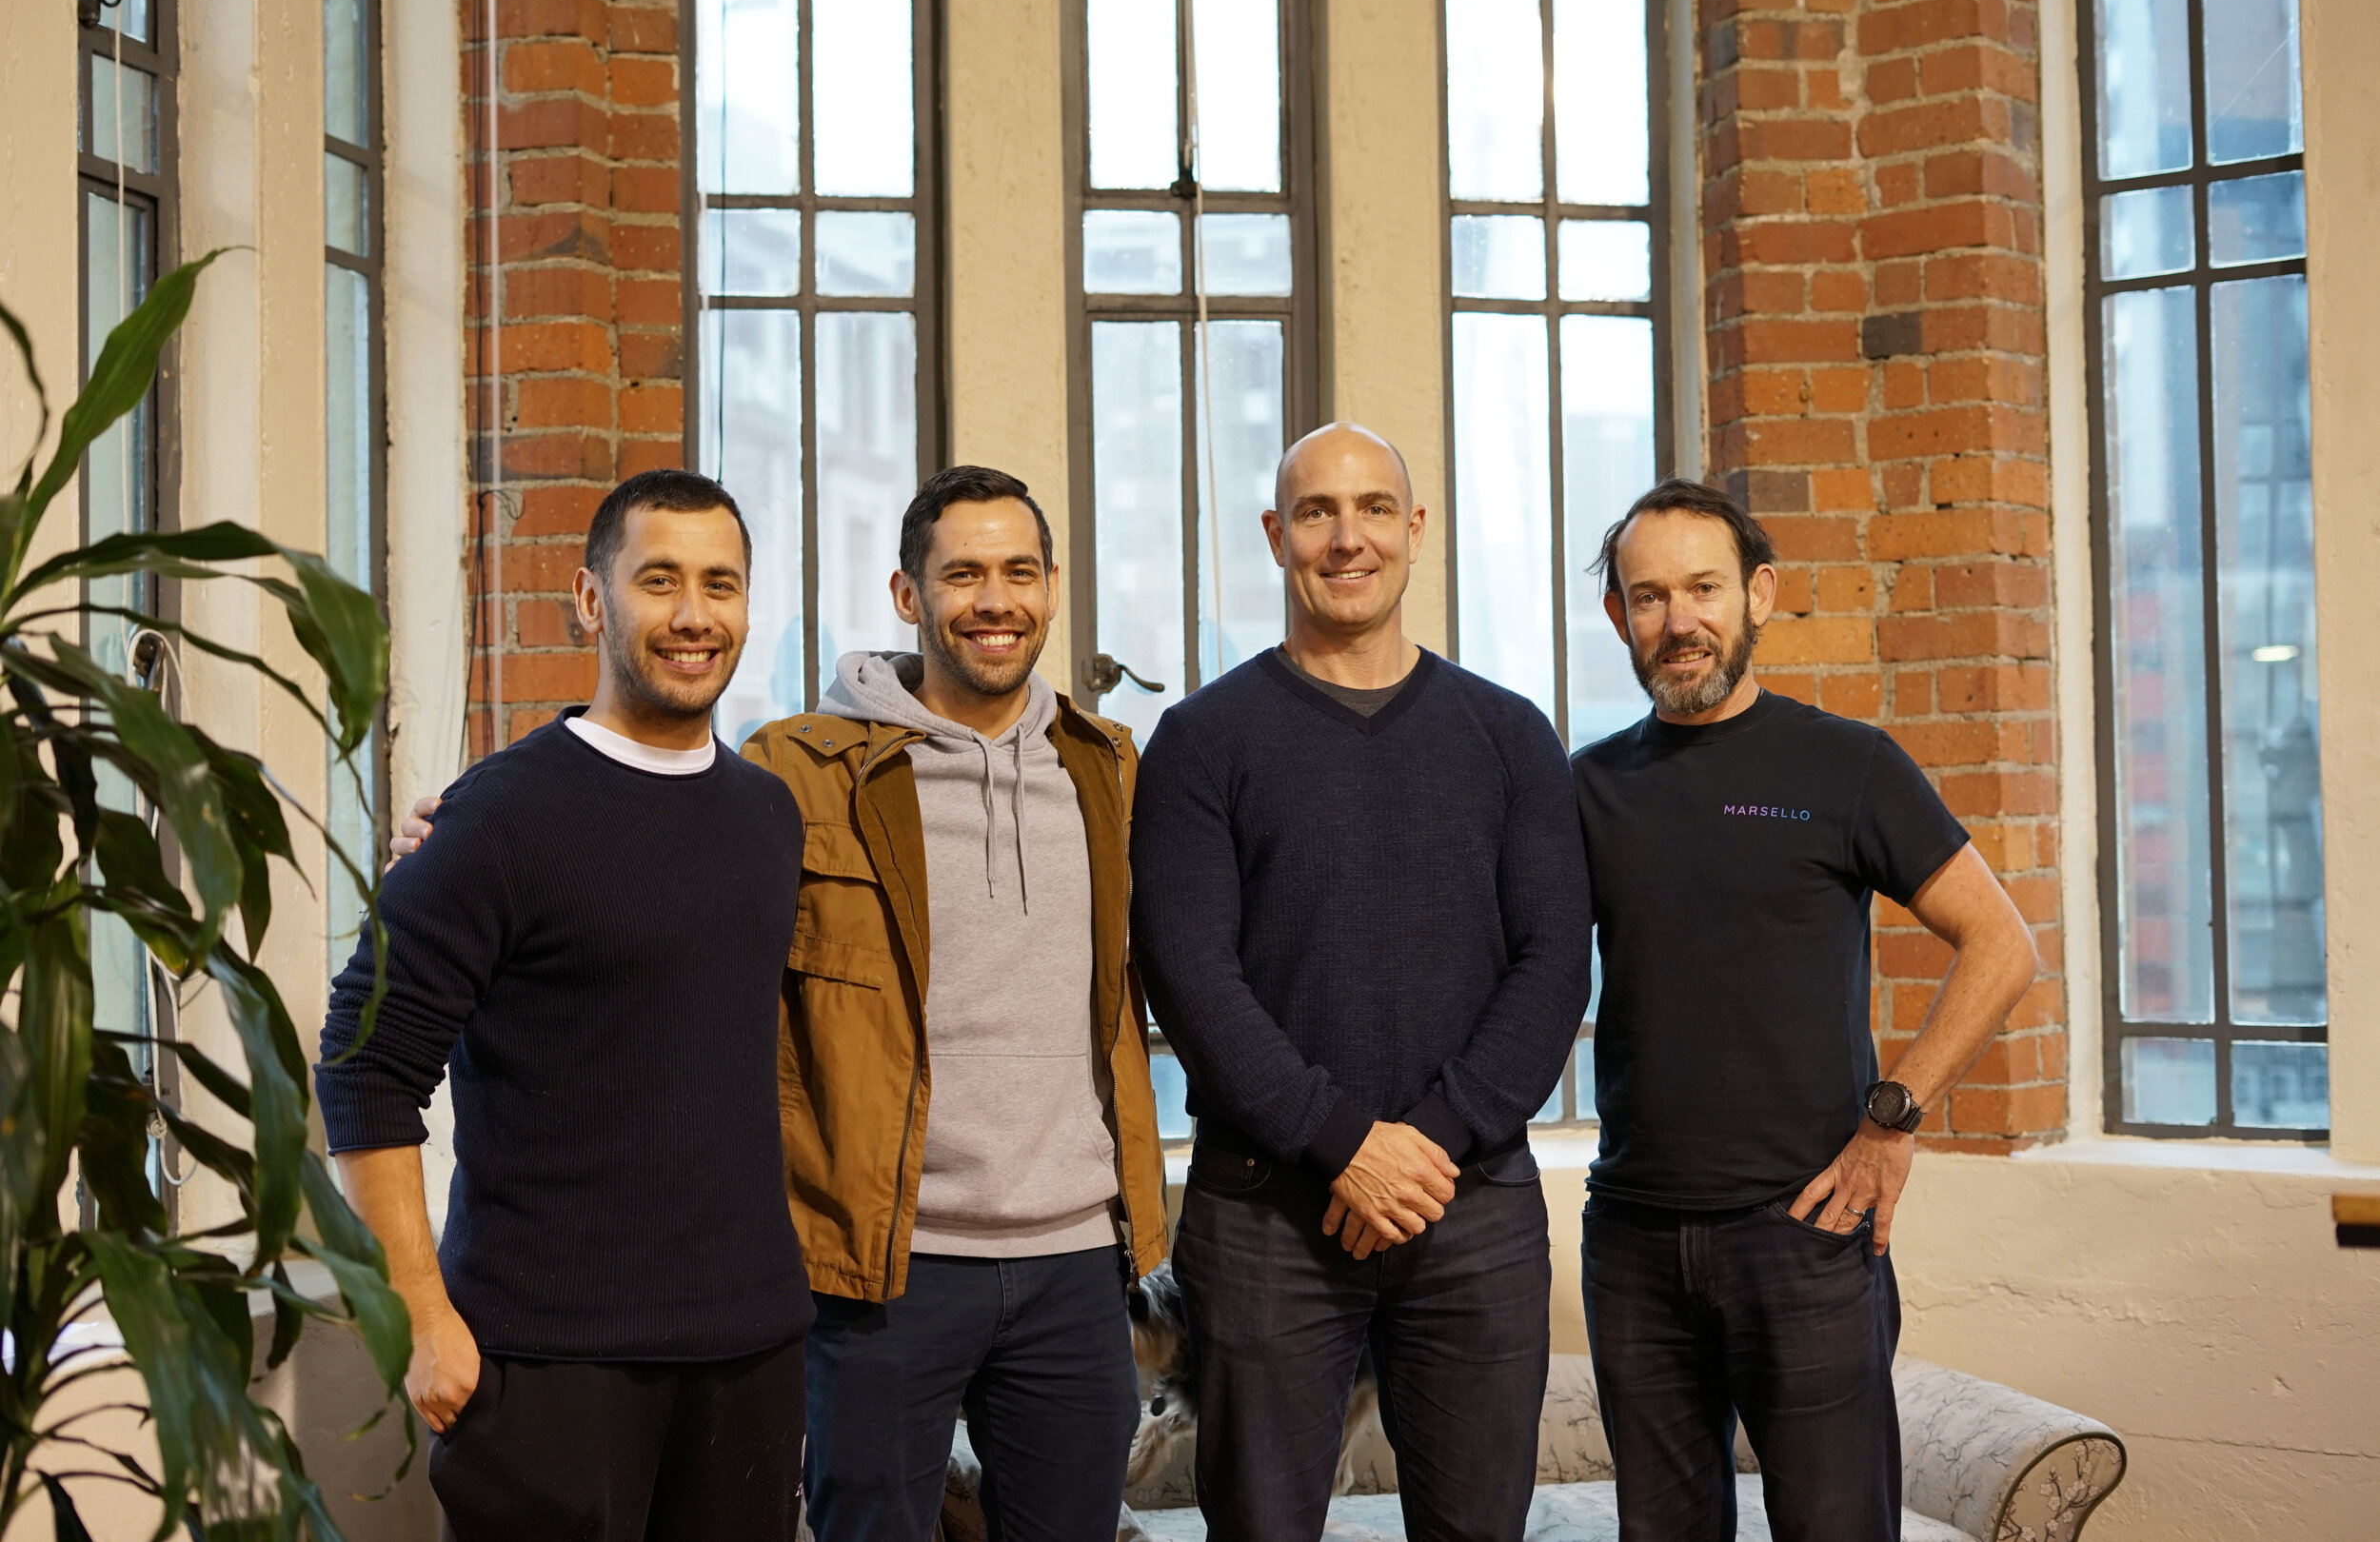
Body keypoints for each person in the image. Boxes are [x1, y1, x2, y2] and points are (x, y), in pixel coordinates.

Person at [390, 465, 1168, 1542]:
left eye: (1019, 571)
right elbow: (632, 793)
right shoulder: (799, 774)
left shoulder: (1110, 769)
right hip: (880, 1258)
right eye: (963, 574)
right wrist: (458, 827)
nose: (995, 599)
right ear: (907, 594)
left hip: (1076, 1257)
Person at [319, 470, 811, 1540]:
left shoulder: (770, 817)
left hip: (749, 1351)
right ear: (592, 599)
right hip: (545, 1362)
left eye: (720, 584)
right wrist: (418, 1315)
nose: (693, 614)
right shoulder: (496, 820)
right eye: (659, 580)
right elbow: (363, 1066)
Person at [1129, 422, 1597, 1542]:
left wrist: (1420, 1144)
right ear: (1275, 535)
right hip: (1264, 1219)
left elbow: (1551, 963)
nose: (1349, 538)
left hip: (1469, 1204)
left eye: (1374, 508)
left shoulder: (1507, 733)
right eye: (1318, 512)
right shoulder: (1201, 740)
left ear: (1414, 528)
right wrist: (1345, 1141)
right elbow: (1192, 977)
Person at [1571, 479, 2040, 1542]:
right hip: (1633, 1245)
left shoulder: (1847, 764)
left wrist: (1892, 1120)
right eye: (1648, 597)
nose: (1677, 620)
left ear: (1758, 595)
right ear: (1619, 618)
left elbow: (2002, 944)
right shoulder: (1587, 787)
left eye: (1702, 588)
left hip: (1806, 1237)